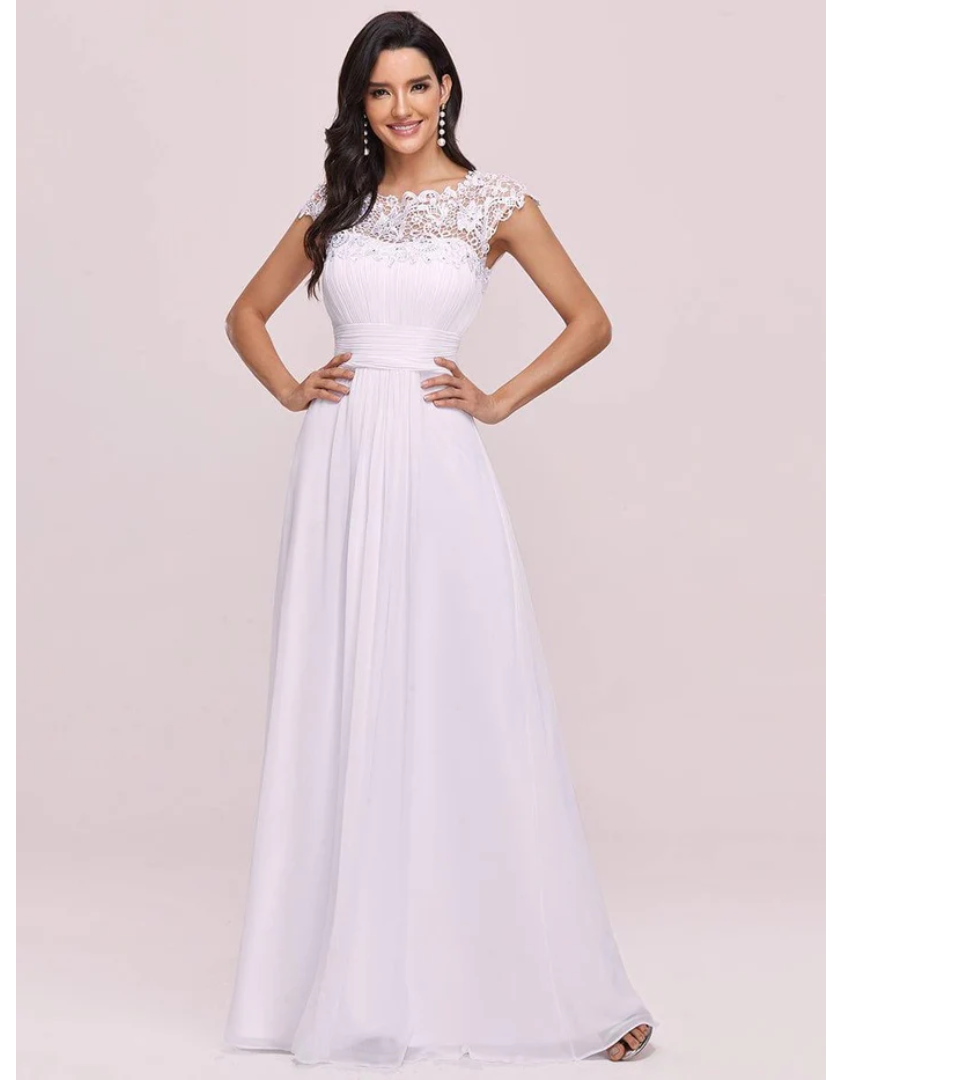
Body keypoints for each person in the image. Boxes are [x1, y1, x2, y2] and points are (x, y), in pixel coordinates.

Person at [221, 10, 656, 1068]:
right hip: (339, 465)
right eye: (380, 91)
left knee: (465, 695)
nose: (401, 108)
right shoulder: (337, 202)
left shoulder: (495, 203)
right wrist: (290, 388)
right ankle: (339, 981)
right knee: (345, 693)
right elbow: (245, 314)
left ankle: (545, 984)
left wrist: (498, 399)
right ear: (359, 104)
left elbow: (590, 320)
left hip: (437, 463)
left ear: (447, 89)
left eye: (418, 86)